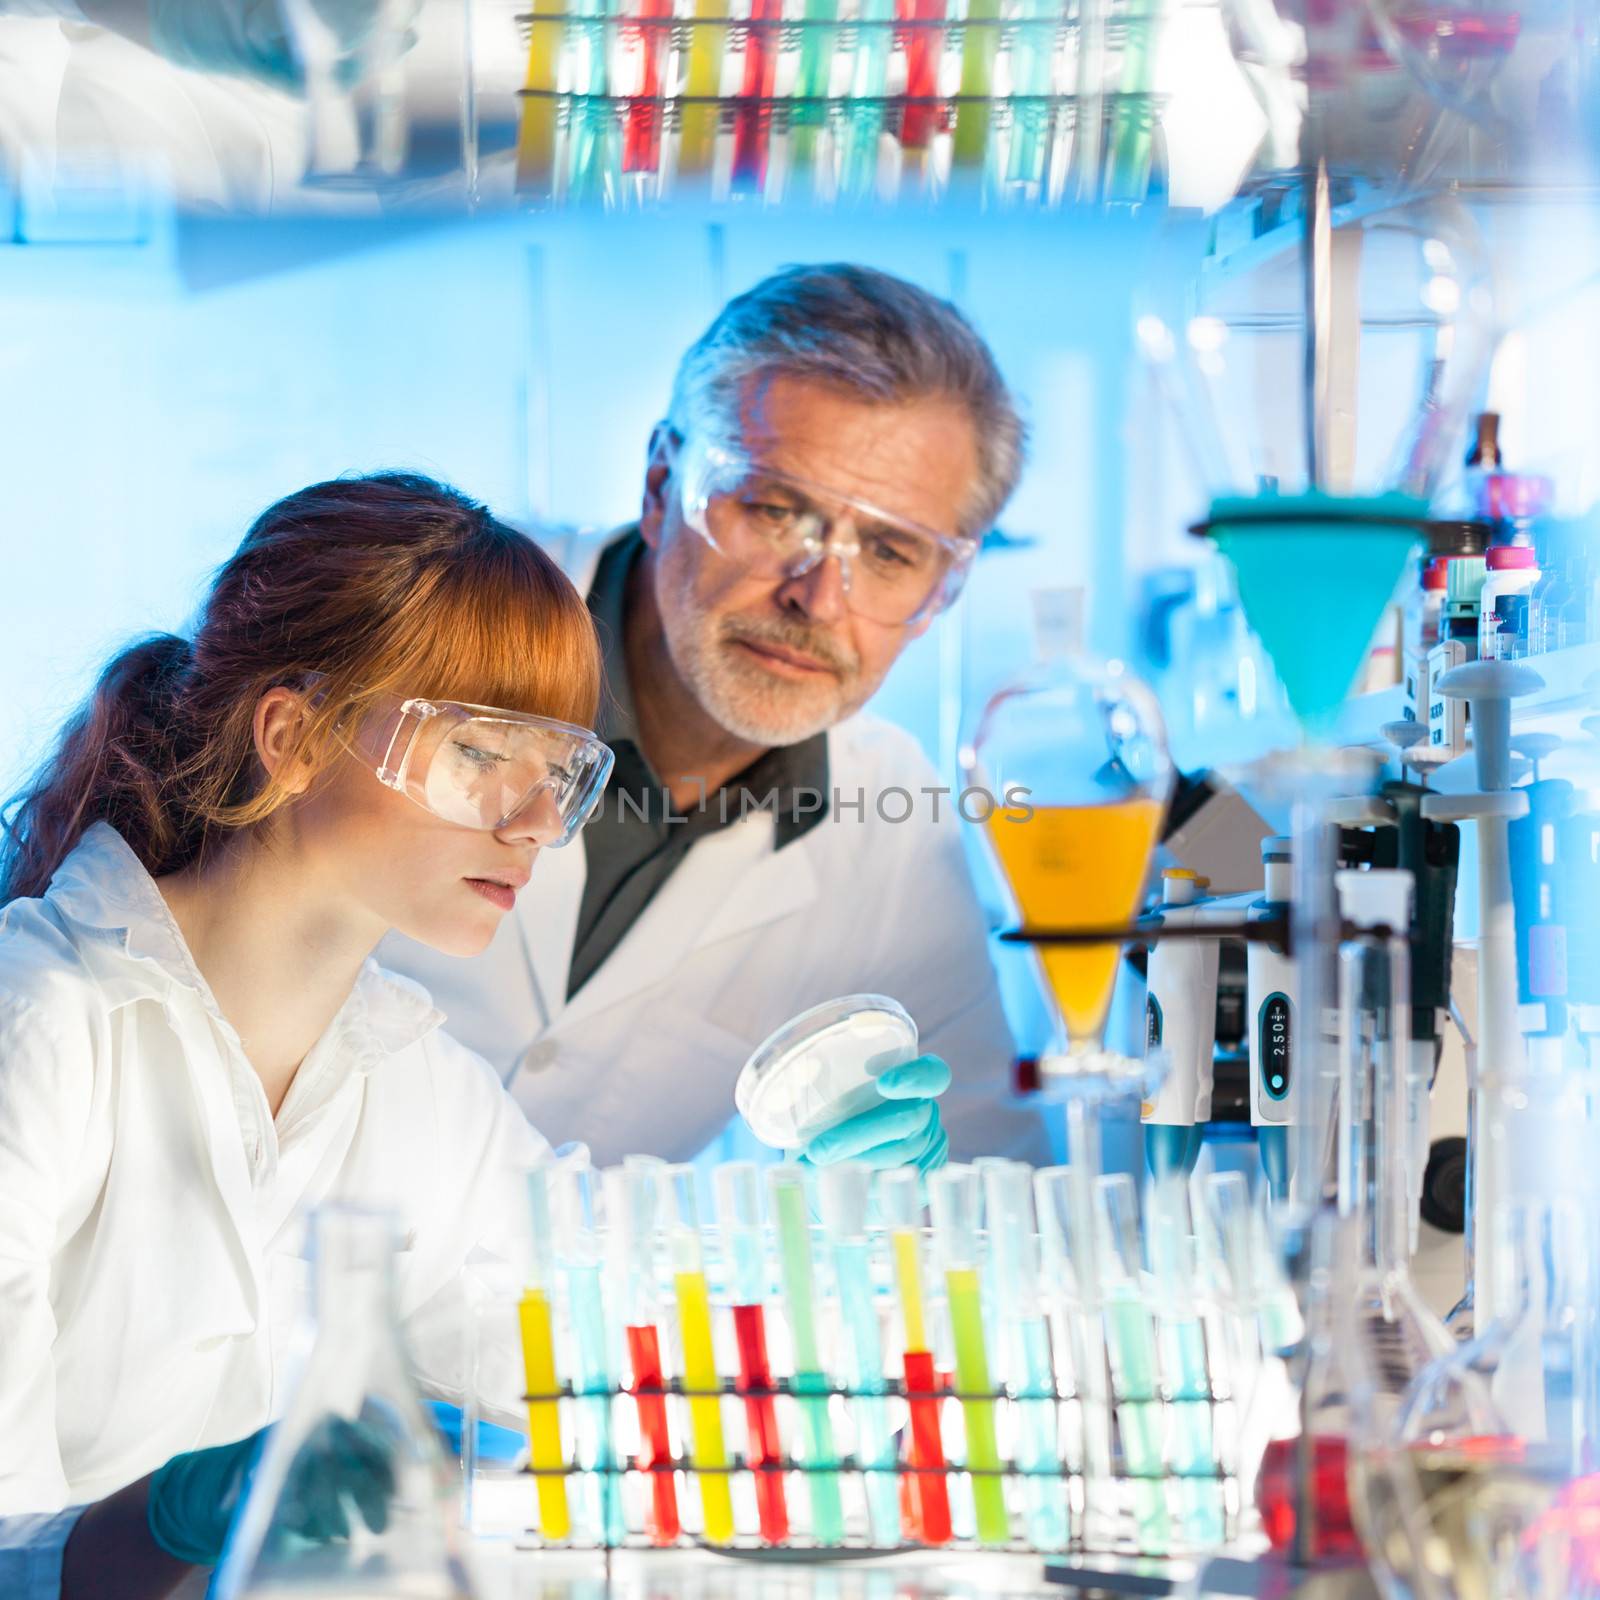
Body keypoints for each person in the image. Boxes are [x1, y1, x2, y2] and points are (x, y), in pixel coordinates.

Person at [0, 473, 609, 1598]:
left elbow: (612, 1348)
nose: (533, 827)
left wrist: (808, 1180)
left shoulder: (419, 1085)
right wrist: (169, 1524)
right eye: (479, 754)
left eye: (558, 772)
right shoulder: (37, 1023)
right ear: (291, 735)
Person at [386, 263, 1051, 1170]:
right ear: (662, 484)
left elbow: (996, 1189)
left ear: (943, 590)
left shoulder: (889, 820)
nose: (818, 599)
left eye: (892, 552)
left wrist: (888, 1208)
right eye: (776, 511)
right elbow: (150, 917)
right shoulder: (423, 612)